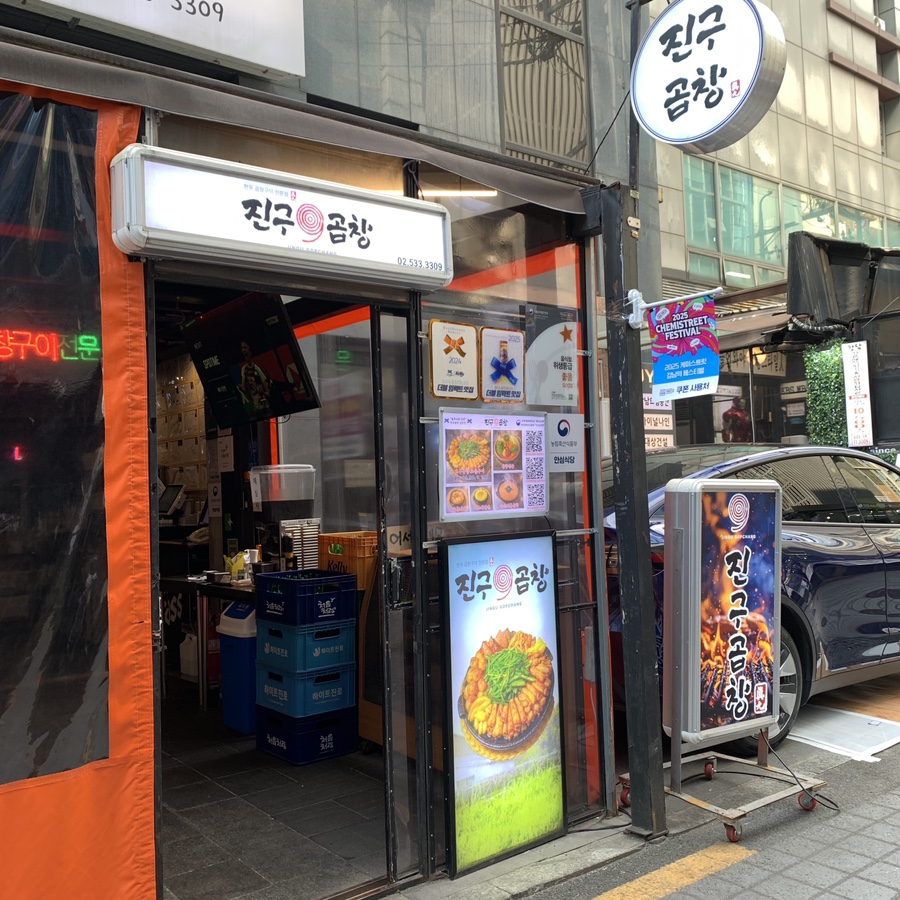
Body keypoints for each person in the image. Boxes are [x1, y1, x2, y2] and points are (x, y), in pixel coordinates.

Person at [238, 341, 272, 413]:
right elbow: (243, 388)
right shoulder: (244, 369)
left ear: (249, 351)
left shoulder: (257, 368)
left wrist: (264, 393)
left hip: (265, 403)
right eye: (241, 348)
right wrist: (240, 388)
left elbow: (267, 390)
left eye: (244, 347)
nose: (243, 350)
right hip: (256, 404)